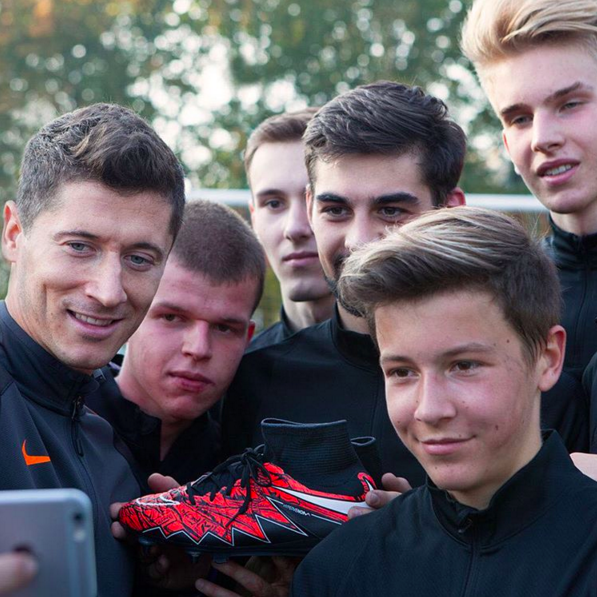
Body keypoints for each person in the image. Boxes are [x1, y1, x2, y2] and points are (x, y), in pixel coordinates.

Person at [291, 207, 597, 596]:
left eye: (463, 365)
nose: (429, 409)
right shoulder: (339, 569)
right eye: (402, 371)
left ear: (547, 358)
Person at [222, 81, 466, 485]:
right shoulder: (255, 382)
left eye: (390, 210)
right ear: (312, 208)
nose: (358, 240)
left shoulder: (517, 374)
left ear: (449, 211)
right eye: (336, 210)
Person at [0, 102, 185, 597]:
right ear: (14, 235)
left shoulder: (117, 426)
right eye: (79, 246)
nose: (108, 291)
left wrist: (168, 582)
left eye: (139, 258)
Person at [461, 0, 597, 379]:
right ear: (506, 143)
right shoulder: (491, 303)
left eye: (569, 105)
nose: (541, 138)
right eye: (520, 118)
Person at [87, 200, 265, 484]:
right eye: (172, 317)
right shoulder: (56, 423)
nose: (198, 349)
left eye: (224, 328)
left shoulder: (245, 468)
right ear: (132, 312)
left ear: (247, 338)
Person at [245, 109, 334, 349]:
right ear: (254, 218)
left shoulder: (416, 362)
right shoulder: (239, 369)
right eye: (274, 204)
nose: (294, 228)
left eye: (318, 201)